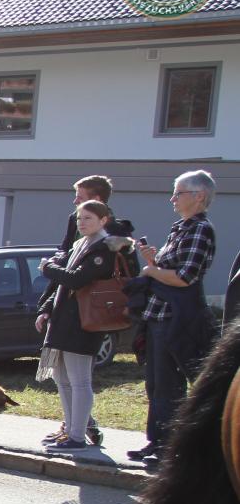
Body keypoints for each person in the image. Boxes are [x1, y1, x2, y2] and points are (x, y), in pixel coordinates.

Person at [127, 170, 219, 465]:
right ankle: (156, 441)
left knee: (170, 385)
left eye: (178, 193)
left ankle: (170, 449)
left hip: (176, 319)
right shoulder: (181, 228)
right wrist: (152, 261)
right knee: (155, 384)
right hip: (158, 315)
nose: (173, 199)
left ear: (199, 196)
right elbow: (169, 272)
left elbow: (184, 277)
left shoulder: (200, 229)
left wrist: (150, 270)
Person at [33, 201, 137, 451]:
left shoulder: (104, 248)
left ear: (103, 221)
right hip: (64, 319)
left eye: (88, 218)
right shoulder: (80, 245)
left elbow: (77, 279)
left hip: (84, 321)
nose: (81, 223)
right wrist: (46, 309)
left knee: (79, 380)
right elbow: (62, 286)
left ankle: (77, 436)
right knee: (62, 378)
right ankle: (69, 430)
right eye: (79, 218)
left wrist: (48, 267)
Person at [57, 175, 134, 256]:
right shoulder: (74, 218)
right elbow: (65, 250)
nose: (75, 201)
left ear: (95, 200)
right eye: (79, 219)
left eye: (80, 198)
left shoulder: (118, 231)